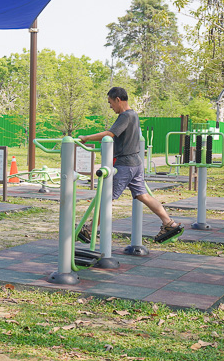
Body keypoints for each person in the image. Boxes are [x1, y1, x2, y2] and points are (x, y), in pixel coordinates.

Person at [78, 87, 184, 244]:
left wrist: (86, 137)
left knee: (106, 198)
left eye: (110, 103)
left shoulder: (125, 115)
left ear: (118, 100)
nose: (110, 106)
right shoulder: (134, 114)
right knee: (143, 195)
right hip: (136, 163)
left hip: (125, 164)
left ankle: (90, 229)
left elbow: (109, 134)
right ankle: (169, 223)